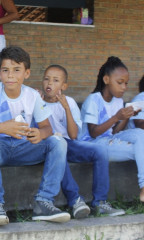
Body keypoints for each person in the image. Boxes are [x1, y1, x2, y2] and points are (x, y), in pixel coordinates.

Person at [0, 46, 70, 226]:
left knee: (58, 142)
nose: (10, 75)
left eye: (16, 70)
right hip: (0, 148)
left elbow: (47, 128)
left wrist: (39, 134)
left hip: (25, 147)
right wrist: (3, 128)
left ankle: (44, 202)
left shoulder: (32, 95)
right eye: (5, 70)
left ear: (26, 73)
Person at [41, 64, 125, 217]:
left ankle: (100, 202)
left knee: (100, 151)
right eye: (46, 79)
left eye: (55, 80)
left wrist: (66, 108)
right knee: (58, 154)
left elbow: (73, 135)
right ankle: (75, 201)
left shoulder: (70, 102)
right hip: (48, 146)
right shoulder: (36, 100)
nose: (49, 83)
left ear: (64, 85)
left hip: (70, 143)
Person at [80, 56, 144, 202]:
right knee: (140, 149)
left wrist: (127, 116)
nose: (124, 87)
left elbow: (115, 132)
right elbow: (93, 132)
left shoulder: (118, 101)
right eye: (120, 82)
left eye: (126, 83)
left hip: (109, 139)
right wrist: (116, 117)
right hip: (92, 144)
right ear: (106, 80)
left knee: (141, 135)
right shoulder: (93, 100)